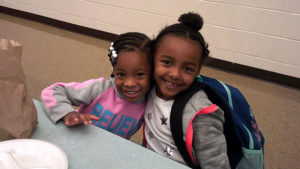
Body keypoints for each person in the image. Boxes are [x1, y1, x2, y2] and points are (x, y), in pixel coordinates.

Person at [143, 12, 231, 168]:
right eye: (167, 62)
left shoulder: (201, 114)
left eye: (188, 68)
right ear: (153, 57)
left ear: (198, 71)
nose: (175, 74)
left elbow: (216, 163)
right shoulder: (148, 84)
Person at [41, 32, 153, 139]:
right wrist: (68, 114)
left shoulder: (151, 102)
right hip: (76, 138)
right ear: (113, 71)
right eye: (121, 74)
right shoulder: (100, 88)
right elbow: (53, 90)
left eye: (139, 74)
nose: (129, 83)